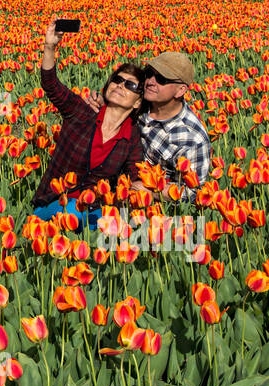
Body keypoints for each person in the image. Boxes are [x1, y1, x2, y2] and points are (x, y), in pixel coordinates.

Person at [31, 20, 147, 231]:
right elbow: (51, 85)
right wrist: (50, 47)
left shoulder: (131, 137)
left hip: (94, 209)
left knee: (120, 228)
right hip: (56, 203)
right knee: (76, 212)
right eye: (117, 80)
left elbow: (135, 174)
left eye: (130, 85)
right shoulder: (82, 113)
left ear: (138, 102)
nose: (120, 85)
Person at [87, 51, 211, 201]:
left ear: (181, 90)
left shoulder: (192, 139)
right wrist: (102, 104)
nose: (151, 81)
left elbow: (193, 191)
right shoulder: (139, 102)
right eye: (149, 73)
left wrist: (152, 190)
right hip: (105, 186)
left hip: (148, 207)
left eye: (161, 79)